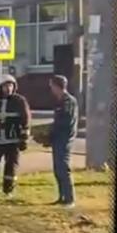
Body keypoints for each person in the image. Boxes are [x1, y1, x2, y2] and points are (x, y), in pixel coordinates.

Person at [0, 73, 32, 195]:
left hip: (13, 141)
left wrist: (24, 139)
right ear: (0, 87)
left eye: (10, 86)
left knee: (11, 168)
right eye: (5, 86)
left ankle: (8, 190)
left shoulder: (19, 101)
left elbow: (26, 120)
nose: (8, 89)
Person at [48, 74, 78, 206]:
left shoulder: (69, 101)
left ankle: (70, 199)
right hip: (57, 138)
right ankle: (62, 196)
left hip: (65, 139)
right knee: (57, 168)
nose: (51, 89)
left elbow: (66, 122)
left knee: (63, 168)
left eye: (52, 86)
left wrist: (51, 130)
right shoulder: (59, 101)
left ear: (57, 86)